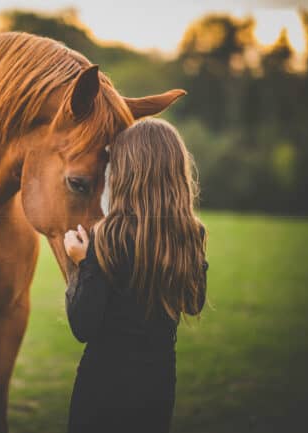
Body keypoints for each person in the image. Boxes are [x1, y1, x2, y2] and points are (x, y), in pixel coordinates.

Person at [63, 118, 209, 433]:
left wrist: (82, 261)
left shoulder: (107, 236)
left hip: (102, 384)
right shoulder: (190, 233)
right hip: (158, 382)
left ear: (126, 173)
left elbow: (83, 326)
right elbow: (194, 303)